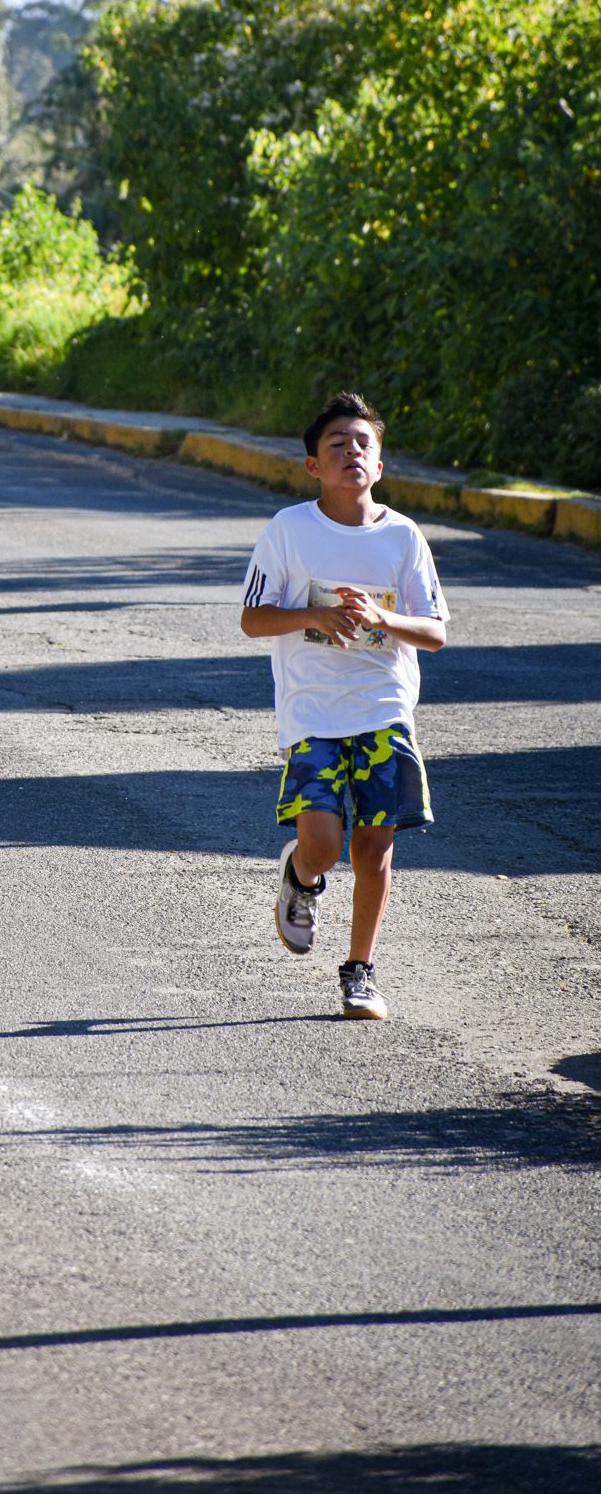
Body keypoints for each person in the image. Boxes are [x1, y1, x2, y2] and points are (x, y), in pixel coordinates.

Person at [239, 390, 448, 1021]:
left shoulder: (403, 538)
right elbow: (252, 618)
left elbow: (435, 631)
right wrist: (316, 615)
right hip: (312, 711)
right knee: (325, 844)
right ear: (313, 466)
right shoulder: (290, 530)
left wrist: (383, 617)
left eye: (365, 443)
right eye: (338, 443)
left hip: (384, 707)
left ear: (379, 465)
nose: (353, 451)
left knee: (374, 846)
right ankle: (302, 877)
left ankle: (360, 970)